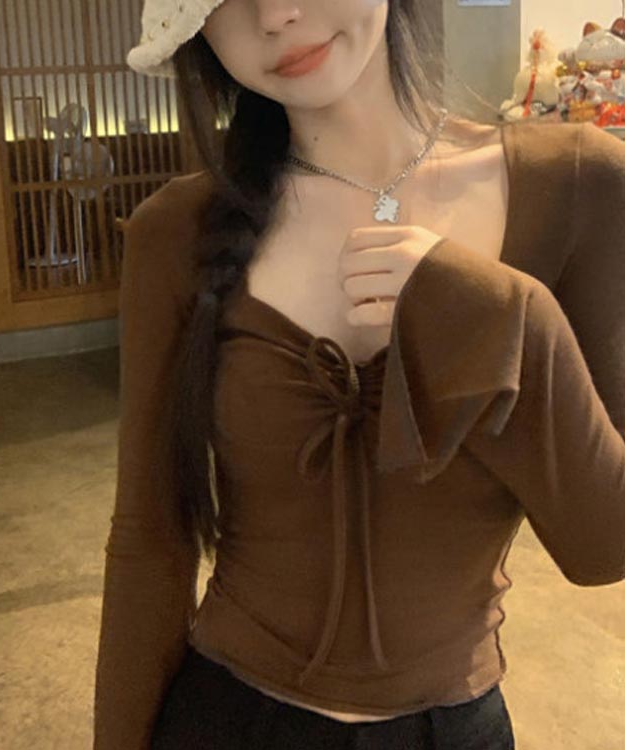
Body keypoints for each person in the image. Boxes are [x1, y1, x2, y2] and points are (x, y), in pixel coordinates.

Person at [95, 1, 625, 748]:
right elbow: (149, 542)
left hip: (452, 730)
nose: (274, 15)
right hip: (227, 721)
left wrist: (513, 320)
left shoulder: (579, 184)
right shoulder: (174, 232)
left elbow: (604, 545)